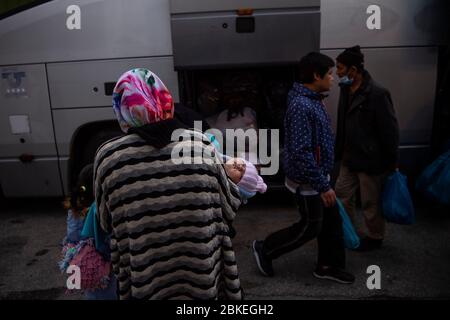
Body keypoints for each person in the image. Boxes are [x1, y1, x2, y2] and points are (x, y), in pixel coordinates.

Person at [93, 68, 243, 300]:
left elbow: (106, 222)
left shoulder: (109, 157)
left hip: (147, 279)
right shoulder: (200, 146)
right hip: (201, 276)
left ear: (121, 108)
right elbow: (228, 209)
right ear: (165, 99)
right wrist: (231, 180)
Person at [252, 52, 355, 284]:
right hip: (309, 182)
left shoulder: (313, 99)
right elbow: (300, 151)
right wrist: (322, 185)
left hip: (319, 177)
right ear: (316, 75)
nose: (333, 78)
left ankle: (327, 266)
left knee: (331, 224)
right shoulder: (301, 105)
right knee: (310, 227)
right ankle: (265, 249)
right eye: (329, 74)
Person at [334, 45, 399, 251]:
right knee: (342, 195)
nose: (338, 72)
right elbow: (343, 122)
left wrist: (391, 162)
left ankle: (375, 236)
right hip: (349, 156)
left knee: (370, 203)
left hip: (370, 160)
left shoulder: (378, 94)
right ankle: (349, 231)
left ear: (354, 70)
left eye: (341, 68)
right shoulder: (346, 89)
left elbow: (390, 131)